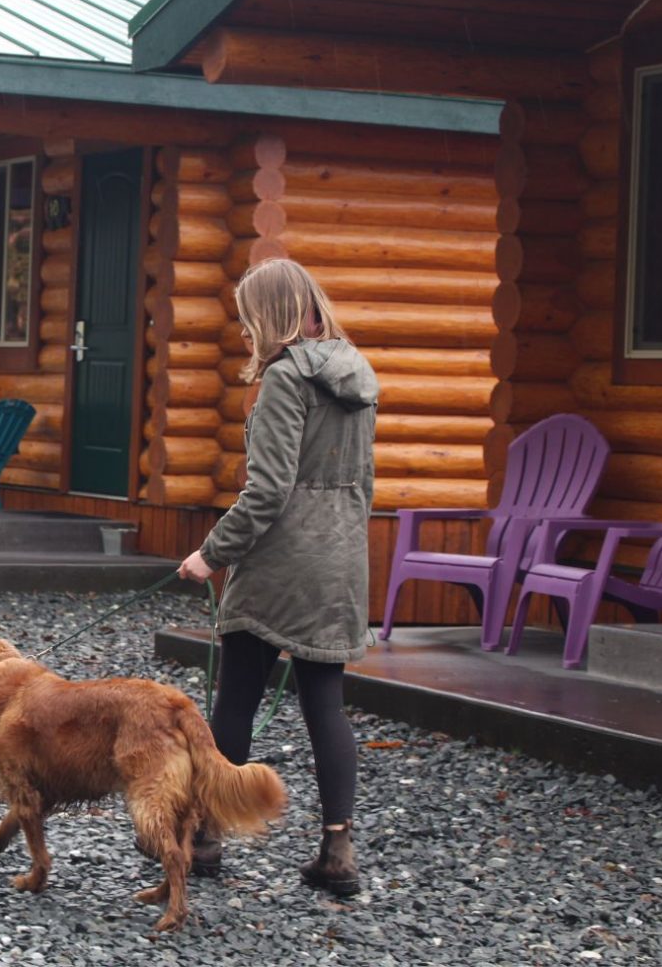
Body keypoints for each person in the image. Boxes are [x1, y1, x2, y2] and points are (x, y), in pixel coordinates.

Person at [177, 258, 378, 897]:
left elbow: (266, 493)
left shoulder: (286, 382)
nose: (245, 332)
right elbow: (364, 486)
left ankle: (205, 836)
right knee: (326, 703)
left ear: (267, 317)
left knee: (237, 695)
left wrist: (210, 554)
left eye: (247, 320)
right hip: (342, 558)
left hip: (281, 560)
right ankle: (338, 851)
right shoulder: (359, 375)